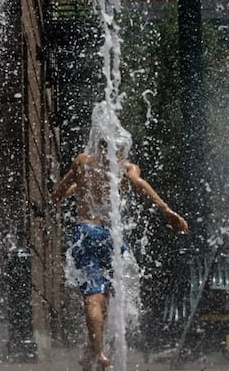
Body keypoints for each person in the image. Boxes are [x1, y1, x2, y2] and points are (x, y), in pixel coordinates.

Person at [52, 104, 188, 371]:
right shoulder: (126, 168)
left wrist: (72, 193)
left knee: (93, 296)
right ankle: (94, 351)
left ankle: (97, 352)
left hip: (85, 231)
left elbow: (58, 192)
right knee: (106, 297)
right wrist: (167, 211)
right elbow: (140, 185)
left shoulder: (82, 162)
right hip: (111, 237)